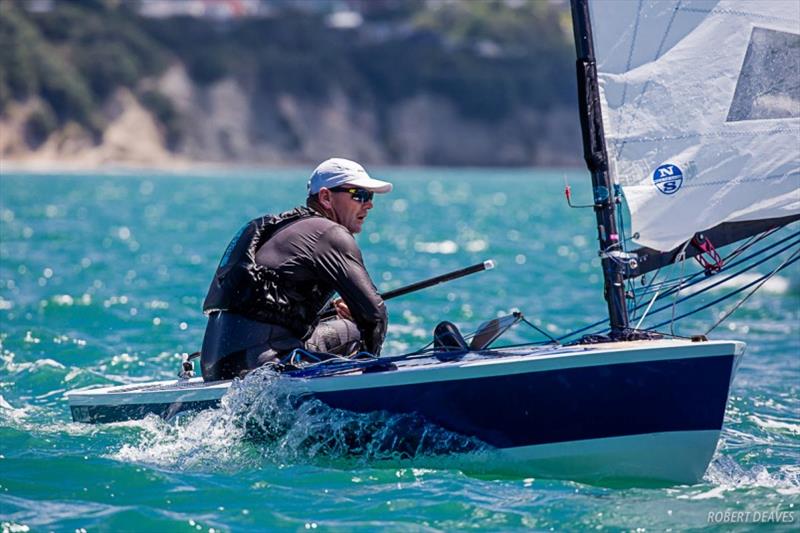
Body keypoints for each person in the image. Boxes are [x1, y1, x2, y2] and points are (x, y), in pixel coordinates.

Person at [200, 158, 391, 381]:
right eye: (359, 195)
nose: (368, 204)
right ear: (326, 197)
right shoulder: (330, 234)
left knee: (343, 328)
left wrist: (328, 309)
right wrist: (372, 372)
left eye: (370, 196)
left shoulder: (287, 230)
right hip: (262, 368)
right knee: (357, 330)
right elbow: (375, 314)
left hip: (216, 368)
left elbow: (272, 308)